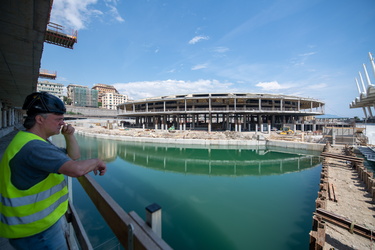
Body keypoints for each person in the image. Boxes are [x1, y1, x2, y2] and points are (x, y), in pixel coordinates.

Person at [0, 92, 107, 249]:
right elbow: (76, 169)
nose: (62, 123)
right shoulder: (34, 147)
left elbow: (73, 156)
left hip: (37, 226)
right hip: (36, 232)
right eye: (58, 119)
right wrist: (97, 161)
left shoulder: (33, 141)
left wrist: (69, 135)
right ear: (40, 119)